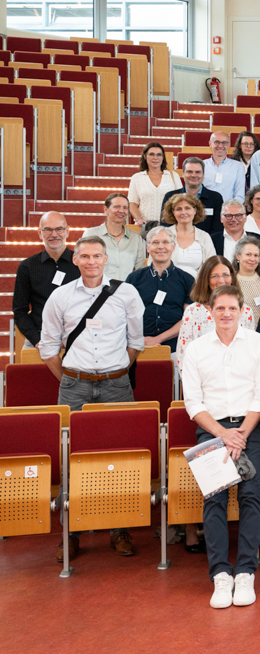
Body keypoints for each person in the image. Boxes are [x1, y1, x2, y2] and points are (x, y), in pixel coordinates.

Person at [39, 236, 145, 562]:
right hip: (75, 387)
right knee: (72, 459)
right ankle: (70, 533)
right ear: (76, 259)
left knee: (120, 458)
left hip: (116, 387)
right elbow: (47, 348)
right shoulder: (60, 296)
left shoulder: (125, 293)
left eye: (96, 255)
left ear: (106, 257)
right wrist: (73, 379)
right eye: (84, 256)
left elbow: (135, 342)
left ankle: (119, 530)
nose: (91, 262)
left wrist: (114, 373)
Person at [180, 285, 260, 609]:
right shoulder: (195, 349)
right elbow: (192, 402)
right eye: (220, 308)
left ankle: (246, 571)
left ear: (241, 311)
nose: (226, 314)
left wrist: (241, 433)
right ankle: (220, 574)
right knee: (215, 498)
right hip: (212, 429)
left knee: (250, 495)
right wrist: (223, 434)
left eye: (232, 308)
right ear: (210, 311)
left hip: (252, 427)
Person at [12, 211, 79, 349]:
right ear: (39, 233)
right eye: (48, 229)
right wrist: (38, 341)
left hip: (77, 338)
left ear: (67, 231)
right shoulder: (27, 266)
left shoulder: (81, 263)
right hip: (39, 338)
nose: (54, 234)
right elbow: (19, 310)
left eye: (59, 229)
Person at [177, 256, 256, 364]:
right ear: (206, 280)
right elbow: (183, 355)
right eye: (214, 276)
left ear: (232, 277)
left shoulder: (246, 311)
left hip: (238, 376)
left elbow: (250, 350)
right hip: (202, 377)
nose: (221, 281)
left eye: (225, 275)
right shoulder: (192, 311)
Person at [127, 225, 194, 352]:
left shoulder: (187, 280)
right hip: (139, 346)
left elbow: (188, 318)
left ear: (173, 247)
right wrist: (140, 340)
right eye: (155, 242)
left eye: (165, 242)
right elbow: (126, 315)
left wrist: (158, 339)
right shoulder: (133, 279)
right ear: (147, 247)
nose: (160, 247)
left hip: (175, 347)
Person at [85, 193, 144, 281]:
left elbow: (140, 270)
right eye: (117, 207)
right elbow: (84, 264)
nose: (121, 211)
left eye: (125, 208)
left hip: (125, 290)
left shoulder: (135, 237)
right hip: (98, 289)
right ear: (106, 210)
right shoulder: (91, 234)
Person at [127, 141, 182, 227]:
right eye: (151, 154)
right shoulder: (137, 178)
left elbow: (181, 200)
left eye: (159, 154)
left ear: (163, 157)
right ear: (145, 156)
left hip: (170, 226)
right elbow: (132, 203)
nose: (155, 158)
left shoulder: (173, 176)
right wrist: (139, 219)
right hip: (145, 226)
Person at [162, 193, 216, 277]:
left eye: (187, 208)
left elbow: (212, 266)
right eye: (178, 209)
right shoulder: (163, 235)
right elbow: (154, 264)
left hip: (197, 286)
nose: (183, 212)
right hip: (168, 285)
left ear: (195, 210)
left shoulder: (204, 237)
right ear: (173, 212)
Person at [233, 237, 260, 325]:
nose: (252, 259)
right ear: (238, 256)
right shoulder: (230, 281)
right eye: (248, 254)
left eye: (256, 255)